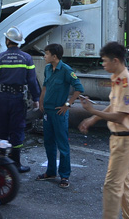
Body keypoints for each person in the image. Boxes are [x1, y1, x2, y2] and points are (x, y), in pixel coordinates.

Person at [79, 41, 129, 219]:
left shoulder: (127, 84)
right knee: (122, 183)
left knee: (112, 185)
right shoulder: (118, 78)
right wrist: (93, 118)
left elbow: (120, 116)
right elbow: (114, 106)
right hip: (121, 138)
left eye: (105, 61)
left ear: (115, 60)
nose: (103, 64)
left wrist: (92, 111)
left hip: (126, 139)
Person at [0, 26, 41, 173]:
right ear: (19, 42)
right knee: (17, 130)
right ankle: (16, 164)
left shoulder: (0, 58)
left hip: (1, 99)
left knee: (2, 130)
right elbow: (32, 81)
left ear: (7, 40)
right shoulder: (27, 58)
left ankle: (1, 163)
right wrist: (36, 98)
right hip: (18, 99)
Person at [37, 43, 84, 188]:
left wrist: (67, 105)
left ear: (54, 56)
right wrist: (40, 101)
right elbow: (45, 86)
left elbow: (79, 88)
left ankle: (64, 175)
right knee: (48, 143)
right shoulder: (47, 68)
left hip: (59, 113)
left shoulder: (66, 70)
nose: (44, 56)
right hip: (48, 112)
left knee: (62, 145)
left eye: (46, 54)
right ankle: (51, 172)